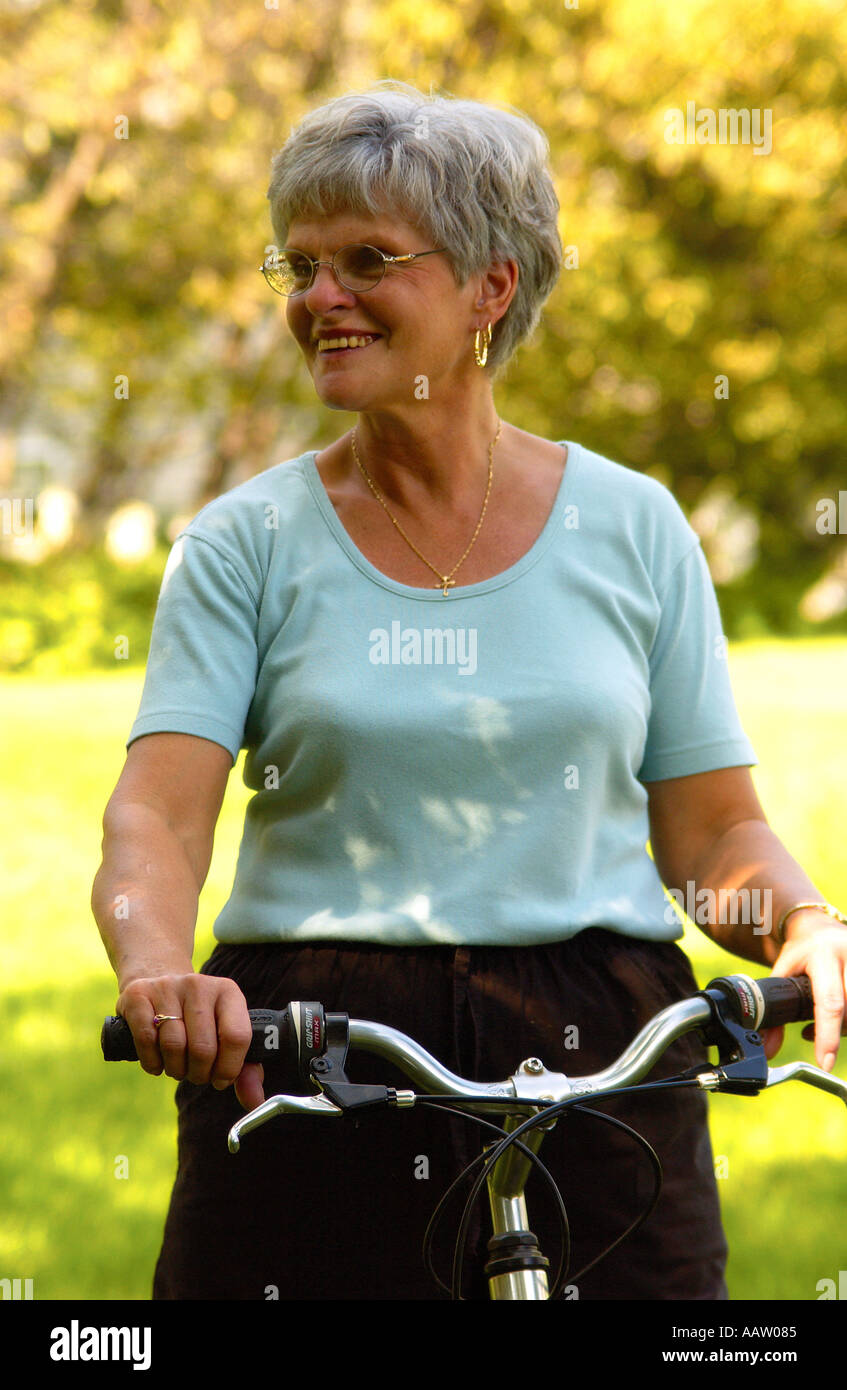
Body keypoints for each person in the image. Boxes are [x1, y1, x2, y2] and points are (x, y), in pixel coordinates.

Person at [92, 81, 847, 1301]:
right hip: (306, 1050)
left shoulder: (634, 526)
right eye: (302, 265)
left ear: (492, 285)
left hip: (602, 1056)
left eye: (368, 262)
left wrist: (804, 922)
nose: (318, 299)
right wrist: (156, 976)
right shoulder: (244, 543)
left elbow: (714, 831)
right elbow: (159, 817)